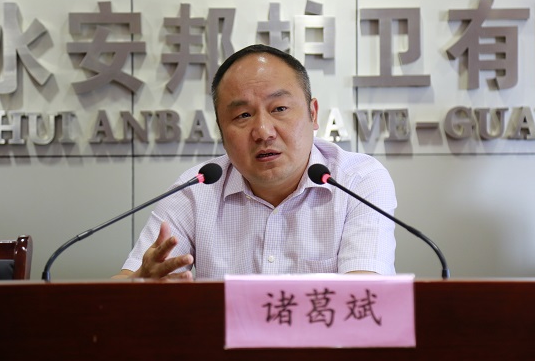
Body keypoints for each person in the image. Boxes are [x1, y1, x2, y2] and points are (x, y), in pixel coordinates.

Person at [113, 44, 397, 280]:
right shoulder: (196, 189)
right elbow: (123, 284)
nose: (263, 131)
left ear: (313, 114)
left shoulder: (358, 180)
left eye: (279, 108)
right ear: (221, 130)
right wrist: (139, 286)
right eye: (243, 116)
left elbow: (365, 295)